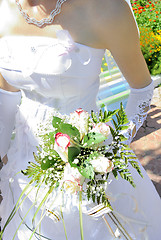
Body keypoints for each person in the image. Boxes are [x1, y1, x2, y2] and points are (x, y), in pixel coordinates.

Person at [0, 0, 161, 239]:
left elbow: (142, 90)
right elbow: (6, 96)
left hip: (91, 156)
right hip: (23, 162)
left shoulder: (106, 8)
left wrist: (108, 149)